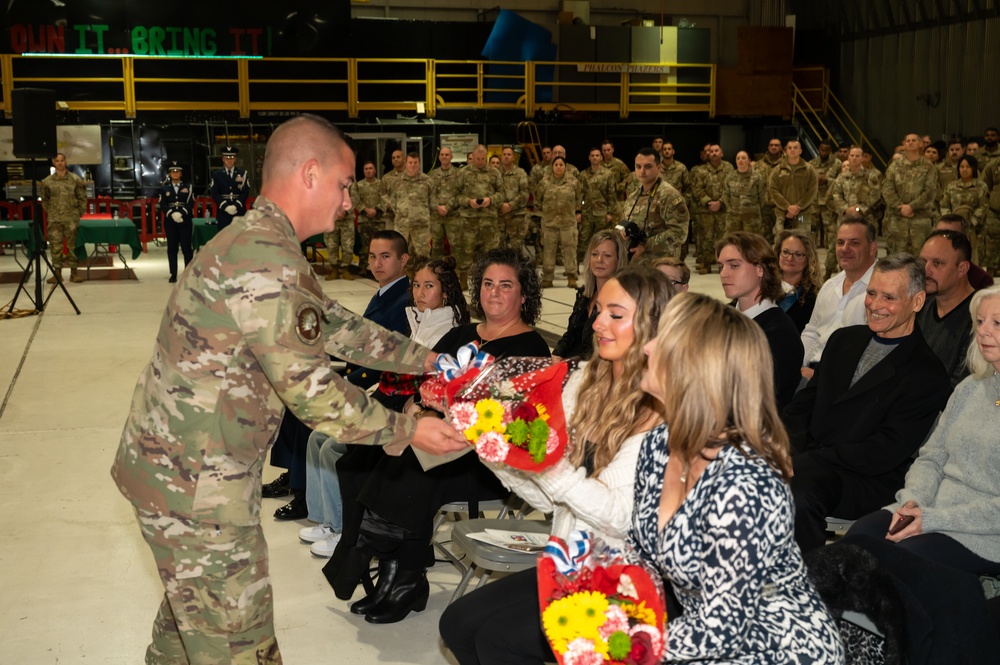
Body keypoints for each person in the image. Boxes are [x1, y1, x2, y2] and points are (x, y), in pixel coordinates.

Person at [110, 114, 468, 664]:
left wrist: (430, 361)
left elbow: (332, 325)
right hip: (199, 489)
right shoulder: (267, 261)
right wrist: (407, 429)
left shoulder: (263, 243)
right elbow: (314, 392)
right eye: (345, 185)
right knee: (239, 645)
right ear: (309, 173)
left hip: (182, 473)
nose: (350, 202)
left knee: (188, 629)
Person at [439, 266, 673, 665]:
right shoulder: (583, 379)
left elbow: (619, 518)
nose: (597, 322)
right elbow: (549, 500)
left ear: (654, 325)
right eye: (598, 310)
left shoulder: (663, 406)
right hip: (570, 558)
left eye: (615, 315)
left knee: (499, 641)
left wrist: (543, 461)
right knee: (458, 624)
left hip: (626, 577)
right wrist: (491, 443)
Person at [330, 247, 552, 625]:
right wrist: (418, 409)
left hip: (484, 459)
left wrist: (441, 415)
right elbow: (420, 388)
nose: (493, 293)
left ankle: (398, 575)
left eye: (505, 285)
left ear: (523, 295)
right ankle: (396, 573)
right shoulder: (461, 334)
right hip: (436, 439)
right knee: (362, 457)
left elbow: (511, 418)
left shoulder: (529, 348)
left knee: (409, 467)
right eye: (486, 284)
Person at [631, 292, 845, 663]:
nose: (647, 346)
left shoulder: (747, 483)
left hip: (778, 650)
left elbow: (722, 628)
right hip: (695, 639)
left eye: (661, 339)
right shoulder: (657, 444)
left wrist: (622, 645)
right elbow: (640, 558)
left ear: (694, 366)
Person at [301, 256, 470, 557]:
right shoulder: (416, 319)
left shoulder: (451, 331)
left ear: (446, 292)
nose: (419, 292)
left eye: (429, 286)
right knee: (318, 437)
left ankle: (344, 528)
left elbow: (423, 384)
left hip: (413, 412)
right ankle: (328, 520)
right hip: (391, 399)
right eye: (416, 285)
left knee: (333, 449)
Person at [783, 254, 952, 552]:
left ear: (916, 301)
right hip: (814, 458)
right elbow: (804, 404)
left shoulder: (926, 373)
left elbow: (882, 452)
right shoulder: (842, 340)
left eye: (889, 297)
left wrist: (805, 460)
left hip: (866, 479)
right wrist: (784, 448)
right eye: (871, 293)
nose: (875, 305)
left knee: (797, 489)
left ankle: (806, 584)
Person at [847, 284, 1000, 574]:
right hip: (929, 508)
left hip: (983, 532)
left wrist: (931, 519)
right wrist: (912, 501)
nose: (983, 331)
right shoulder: (970, 389)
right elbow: (931, 457)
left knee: (903, 560)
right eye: (979, 321)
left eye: (997, 323)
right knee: (860, 536)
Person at [269, 230, 413, 521]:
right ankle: (293, 472)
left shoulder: (404, 302)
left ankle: (303, 493)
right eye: (372, 256)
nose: (377, 263)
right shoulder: (385, 293)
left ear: (404, 259)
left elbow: (384, 361)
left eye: (385, 256)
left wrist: (347, 380)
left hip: (377, 386)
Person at [717, 232, 804, 410]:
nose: (724, 274)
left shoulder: (780, 334)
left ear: (760, 269)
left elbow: (760, 405)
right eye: (721, 267)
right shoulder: (723, 318)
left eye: (734, 266)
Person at [799, 213, 878, 380]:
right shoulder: (830, 285)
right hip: (811, 370)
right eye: (840, 242)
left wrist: (820, 377)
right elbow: (812, 332)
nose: (845, 249)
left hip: (846, 379)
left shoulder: (880, 290)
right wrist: (799, 363)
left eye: (854, 243)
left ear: (872, 248)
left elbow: (872, 351)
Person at [552, 228, 627, 359]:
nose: (599, 260)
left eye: (607, 256)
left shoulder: (621, 302)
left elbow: (603, 352)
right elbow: (570, 334)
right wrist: (557, 354)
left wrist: (571, 363)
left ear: (618, 260)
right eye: (594, 254)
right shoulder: (584, 295)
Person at [917, 230, 977, 387]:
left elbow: (961, 391)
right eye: (923, 262)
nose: (926, 270)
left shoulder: (980, 318)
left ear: (962, 269)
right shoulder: (919, 307)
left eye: (937, 263)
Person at [623, 147, 690, 264]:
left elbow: (679, 233)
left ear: (659, 168)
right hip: (636, 264)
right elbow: (624, 220)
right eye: (638, 167)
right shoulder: (634, 195)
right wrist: (623, 232)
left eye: (647, 167)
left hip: (661, 265)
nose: (642, 171)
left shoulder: (669, 195)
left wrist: (645, 245)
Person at [881, 132, 939, 256]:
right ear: (904, 144)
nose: (911, 143)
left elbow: (930, 191)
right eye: (908, 141)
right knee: (896, 259)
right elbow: (887, 188)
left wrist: (911, 206)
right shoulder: (895, 165)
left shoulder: (928, 166)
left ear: (920, 144)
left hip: (920, 220)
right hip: (897, 219)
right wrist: (901, 207)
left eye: (914, 140)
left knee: (921, 259)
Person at [827, 146, 882, 278]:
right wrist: (846, 209)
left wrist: (859, 209)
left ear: (863, 158)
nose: (854, 158)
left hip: (866, 219)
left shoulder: (870, 176)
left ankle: (870, 276)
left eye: (857, 156)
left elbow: (875, 195)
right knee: (845, 249)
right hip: (845, 219)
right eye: (851, 156)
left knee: (867, 248)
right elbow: (836, 195)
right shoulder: (841, 177)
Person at [454, 145, 503, 287]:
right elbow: (456, 195)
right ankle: (463, 277)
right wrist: (468, 202)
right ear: (472, 157)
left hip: (489, 219)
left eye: (483, 159)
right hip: (469, 219)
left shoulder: (494, 173)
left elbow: (502, 193)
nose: (480, 162)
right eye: (477, 159)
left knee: (490, 251)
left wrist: (491, 200)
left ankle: (490, 278)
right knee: (466, 250)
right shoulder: (463, 173)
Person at [39, 152, 87, 284]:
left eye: (62, 160)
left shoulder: (75, 179)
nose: (60, 163)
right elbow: (45, 200)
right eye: (57, 161)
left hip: (71, 219)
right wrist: (51, 212)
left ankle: (74, 273)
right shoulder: (47, 182)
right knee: (55, 247)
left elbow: (82, 198)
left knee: (73, 246)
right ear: (53, 163)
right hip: (55, 219)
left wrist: (78, 213)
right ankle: (57, 274)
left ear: (66, 162)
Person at [537, 155, 583, 288]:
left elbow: (579, 198)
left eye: (561, 165)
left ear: (565, 166)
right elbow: (538, 199)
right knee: (549, 250)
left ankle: (571, 277)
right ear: (552, 167)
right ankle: (547, 278)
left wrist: (577, 212)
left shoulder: (573, 182)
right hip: (549, 223)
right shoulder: (544, 182)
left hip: (568, 222)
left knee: (570, 249)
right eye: (556, 165)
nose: (558, 167)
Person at [690, 144, 733, 273]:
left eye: (716, 151)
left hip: (723, 209)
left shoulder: (729, 168)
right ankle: (706, 264)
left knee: (723, 238)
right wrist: (709, 202)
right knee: (706, 238)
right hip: (706, 210)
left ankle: (723, 265)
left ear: (721, 153)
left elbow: (730, 187)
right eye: (711, 151)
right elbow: (697, 188)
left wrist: (720, 202)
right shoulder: (701, 170)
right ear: (707, 154)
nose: (714, 153)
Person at [775, 228, 823, 332]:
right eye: (786, 252)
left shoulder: (814, 297)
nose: (790, 258)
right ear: (778, 254)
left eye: (798, 254)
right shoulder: (762, 285)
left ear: (808, 259)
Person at [768, 139, 818, 237]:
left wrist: (798, 207)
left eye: (795, 148)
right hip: (783, 213)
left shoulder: (809, 169)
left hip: (802, 213)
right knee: (781, 240)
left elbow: (812, 190)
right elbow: (773, 190)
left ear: (800, 151)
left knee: (803, 239)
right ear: (786, 151)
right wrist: (787, 206)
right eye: (789, 148)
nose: (792, 150)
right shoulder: (777, 170)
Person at [577, 147, 618, 265]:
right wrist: (578, 211)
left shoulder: (608, 174)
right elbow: (580, 194)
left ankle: (602, 262)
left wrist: (610, 212)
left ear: (601, 157)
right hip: (587, 212)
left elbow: (611, 194)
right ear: (589, 158)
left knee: (603, 239)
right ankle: (584, 264)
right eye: (592, 155)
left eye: (597, 155)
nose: (595, 158)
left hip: (602, 212)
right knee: (584, 240)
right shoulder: (583, 175)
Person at [388, 152, 434, 257]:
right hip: (402, 226)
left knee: (422, 257)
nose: (413, 165)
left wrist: (421, 215)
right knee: (402, 256)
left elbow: (433, 203)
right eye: (410, 162)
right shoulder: (397, 181)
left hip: (421, 227)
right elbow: (393, 202)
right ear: (406, 163)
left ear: (419, 163)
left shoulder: (427, 181)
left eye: (415, 162)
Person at [936, 214, 994, 289]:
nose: (943, 242)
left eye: (952, 236)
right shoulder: (926, 274)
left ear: (966, 240)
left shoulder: (982, 280)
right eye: (939, 235)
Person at [158, 161, 193, 284]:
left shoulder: (188, 187)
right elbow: (162, 204)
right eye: (173, 172)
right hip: (170, 221)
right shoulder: (164, 188)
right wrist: (172, 214)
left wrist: (182, 213)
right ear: (170, 174)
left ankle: (188, 273)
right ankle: (173, 273)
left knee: (186, 247)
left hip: (185, 220)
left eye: (177, 171)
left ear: (181, 173)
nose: (175, 174)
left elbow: (190, 203)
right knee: (172, 248)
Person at [350, 160, 383, 278]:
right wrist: (365, 209)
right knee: (364, 246)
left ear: (375, 170)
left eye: (370, 168)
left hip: (379, 219)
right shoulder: (359, 185)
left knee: (380, 246)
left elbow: (385, 198)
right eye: (366, 169)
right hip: (364, 219)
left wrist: (376, 209)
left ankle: (380, 267)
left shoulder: (381, 184)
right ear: (363, 171)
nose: (368, 171)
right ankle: (363, 267)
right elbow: (355, 200)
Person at [721, 149, 767, 235]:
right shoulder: (730, 177)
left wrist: (753, 209)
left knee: (751, 242)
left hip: (752, 217)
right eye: (738, 158)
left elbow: (762, 196)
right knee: (734, 241)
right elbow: (726, 195)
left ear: (749, 160)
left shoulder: (757, 177)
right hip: (733, 217)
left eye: (743, 158)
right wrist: (732, 208)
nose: (740, 160)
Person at [941, 155, 989, 237]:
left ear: (973, 168)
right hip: (953, 228)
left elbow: (983, 207)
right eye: (962, 167)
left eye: (968, 167)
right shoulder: (951, 186)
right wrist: (951, 221)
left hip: (975, 229)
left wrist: (970, 223)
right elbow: (944, 206)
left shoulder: (981, 186)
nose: (964, 169)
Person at [429, 147, 461, 260]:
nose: (444, 157)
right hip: (436, 216)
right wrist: (437, 207)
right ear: (439, 157)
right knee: (436, 246)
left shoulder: (459, 174)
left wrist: (447, 207)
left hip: (453, 215)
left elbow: (460, 194)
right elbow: (430, 194)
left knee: (456, 246)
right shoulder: (433, 175)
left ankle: (456, 274)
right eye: (442, 155)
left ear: (451, 157)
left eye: (447, 155)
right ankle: (435, 273)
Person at [209, 145, 250, 231]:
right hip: (223, 213)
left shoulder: (242, 173)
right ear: (223, 159)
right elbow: (215, 193)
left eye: (231, 158)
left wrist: (236, 206)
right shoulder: (216, 174)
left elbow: (245, 192)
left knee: (239, 240)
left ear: (235, 159)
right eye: (227, 158)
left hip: (238, 212)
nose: (229, 161)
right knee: (224, 240)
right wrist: (226, 207)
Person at [497, 146, 530, 252]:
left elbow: (524, 192)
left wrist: (510, 205)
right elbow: (491, 192)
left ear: (513, 158)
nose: (506, 157)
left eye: (509, 154)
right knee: (498, 247)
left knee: (516, 248)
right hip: (499, 215)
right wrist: (500, 205)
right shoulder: (495, 173)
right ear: (501, 157)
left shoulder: (521, 173)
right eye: (504, 154)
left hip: (516, 215)